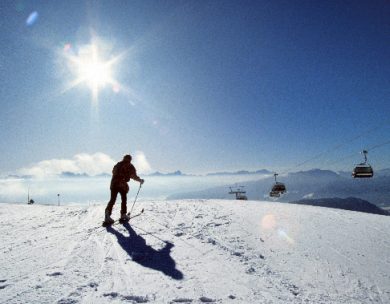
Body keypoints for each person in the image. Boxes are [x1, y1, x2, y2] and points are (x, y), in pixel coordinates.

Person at [104, 154, 144, 224]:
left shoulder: (118, 164)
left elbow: (113, 172)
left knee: (113, 199)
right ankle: (123, 215)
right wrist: (140, 180)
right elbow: (133, 176)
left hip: (114, 184)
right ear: (130, 159)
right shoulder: (130, 166)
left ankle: (107, 215)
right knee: (124, 199)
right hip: (122, 185)